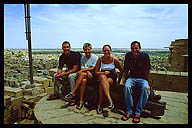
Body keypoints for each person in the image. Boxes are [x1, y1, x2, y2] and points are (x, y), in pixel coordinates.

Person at [121, 41, 151, 123]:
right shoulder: (128, 56)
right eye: (132, 48)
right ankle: (129, 111)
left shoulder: (145, 56)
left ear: (140, 48)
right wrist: (124, 80)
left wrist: (148, 83)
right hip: (132, 78)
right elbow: (126, 70)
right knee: (127, 87)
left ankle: (138, 112)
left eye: (136, 48)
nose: (134, 50)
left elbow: (147, 71)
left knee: (146, 89)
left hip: (142, 79)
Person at [64, 43, 98, 110]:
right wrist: (87, 71)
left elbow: (93, 68)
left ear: (91, 49)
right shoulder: (83, 58)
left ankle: (73, 92)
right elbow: (83, 68)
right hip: (85, 75)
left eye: (88, 49)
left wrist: (87, 71)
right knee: (83, 80)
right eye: (85, 49)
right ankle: (81, 101)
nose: (87, 51)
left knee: (82, 74)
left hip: (92, 76)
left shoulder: (95, 57)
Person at [47, 41, 81, 105]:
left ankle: (73, 96)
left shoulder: (74, 55)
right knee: (55, 75)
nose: (66, 49)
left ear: (70, 47)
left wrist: (63, 74)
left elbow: (75, 69)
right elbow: (60, 67)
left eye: (67, 47)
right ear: (62, 48)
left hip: (77, 72)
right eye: (64, 47)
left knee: (71, 77)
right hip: (68, 71)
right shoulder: (62, 56)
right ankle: (56, 93)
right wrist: (59, 73)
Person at [95, 44, 123, 114]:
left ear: (111, 51)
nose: (106, 52)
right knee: (102, 78)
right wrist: (103, 73)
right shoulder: (100, 59)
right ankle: (110, 100)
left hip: (112, 77)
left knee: (102, 84)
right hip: (103, 76)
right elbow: (96, 72)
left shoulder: (114, 60)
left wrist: (118, 81)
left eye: (108, 50)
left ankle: (100, 105)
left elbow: (121, 71)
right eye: (105, 51)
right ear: (102, 51)